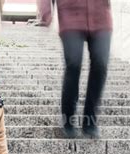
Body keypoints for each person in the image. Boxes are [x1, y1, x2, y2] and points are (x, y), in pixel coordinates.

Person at [41, 0, 112, 138]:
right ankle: (68, 118)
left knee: (101, 64)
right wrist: (46, 12)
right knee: (73, 64)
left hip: (101, 17)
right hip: (70, 16)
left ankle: (90, 120)